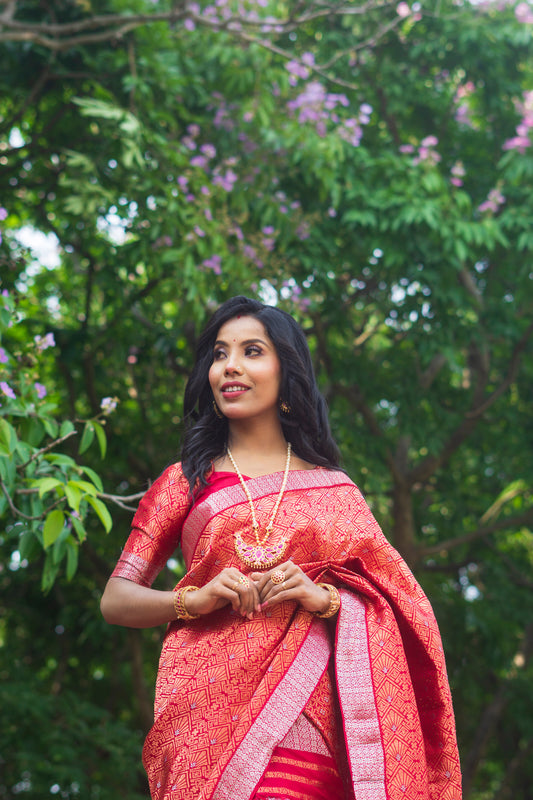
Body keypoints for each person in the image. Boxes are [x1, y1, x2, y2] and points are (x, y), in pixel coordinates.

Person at [101, 295, 462, 800]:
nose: (230, 366)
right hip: (204, 719)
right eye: (219, 353)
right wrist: (193, 599)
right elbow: (115, 600)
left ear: (285, 372)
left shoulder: (336, 492)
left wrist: (326, 600)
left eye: (251, 351)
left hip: (310, 722)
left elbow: (404, 609)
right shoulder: (184, 484)